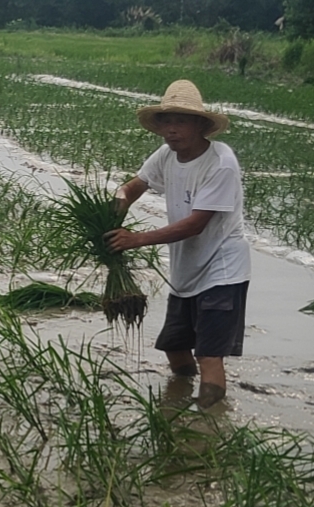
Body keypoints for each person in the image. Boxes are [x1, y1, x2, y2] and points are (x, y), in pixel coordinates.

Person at [107, 79, 250, 409]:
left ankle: (210, 423)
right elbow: (133, 187)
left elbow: (196, 224)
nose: (171, 130)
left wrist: (136, 239)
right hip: (186, 271)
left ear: (201, 124)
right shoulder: (165, 155)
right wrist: (113, 209)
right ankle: (180, 404)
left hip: (222, 270)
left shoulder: (220, 163)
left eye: (180, 121)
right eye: (166, 122)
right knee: (175, 346)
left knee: (209, 354)